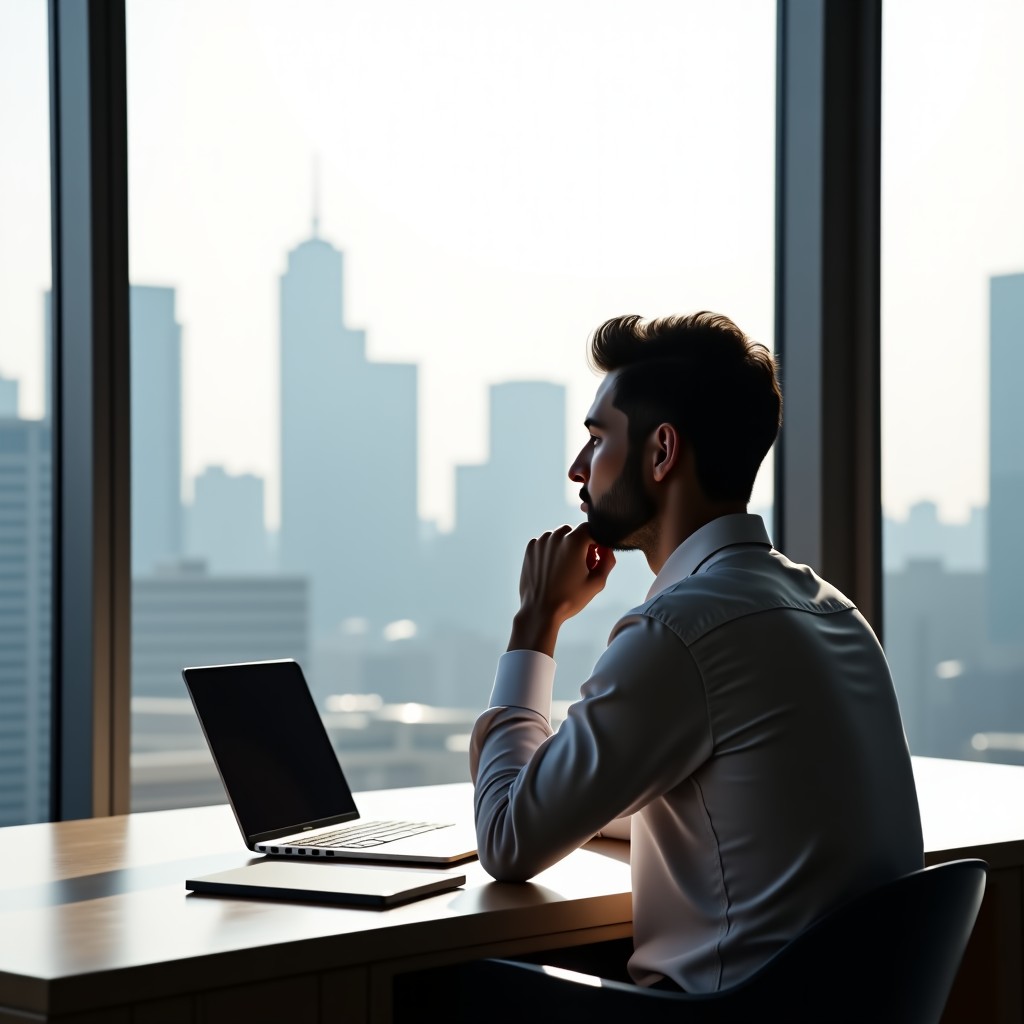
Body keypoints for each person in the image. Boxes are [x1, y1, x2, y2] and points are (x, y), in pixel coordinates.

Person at [469, 311, 924, 993]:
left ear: (661, 453)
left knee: (444, 992)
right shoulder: (835, 612)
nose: (577, 469)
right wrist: (573, 796)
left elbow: (507, 840)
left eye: (597, 440)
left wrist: (536, 622)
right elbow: (733, 807)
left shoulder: (678, 632)